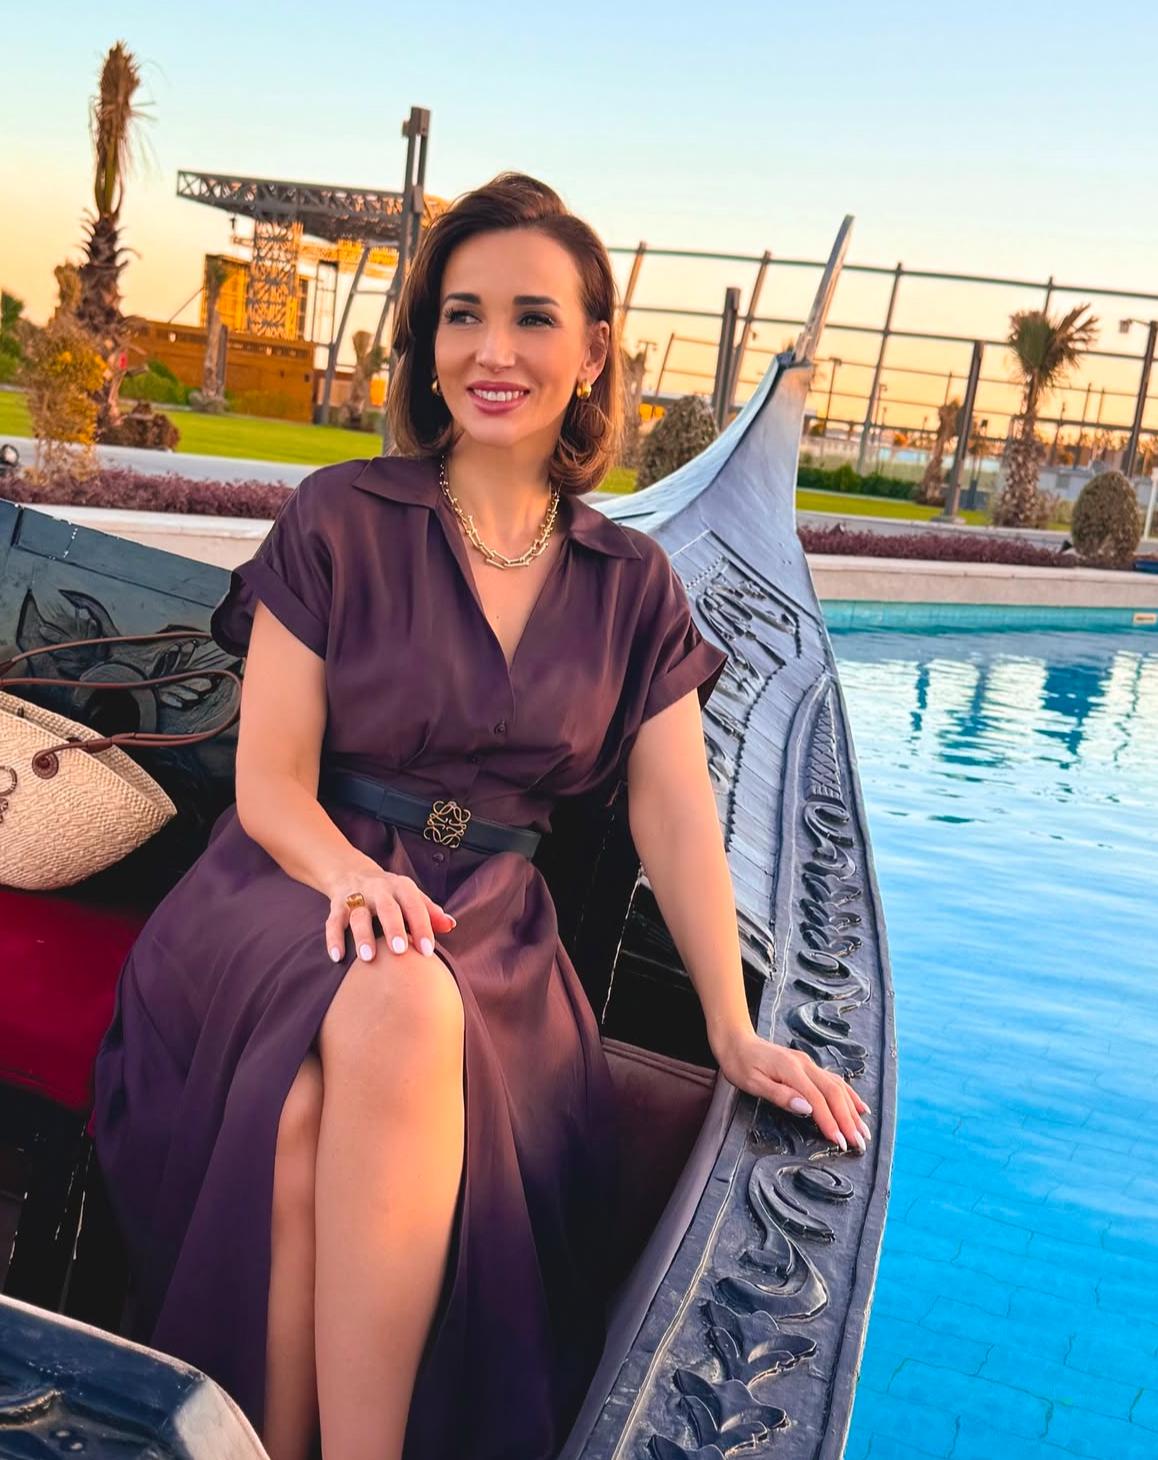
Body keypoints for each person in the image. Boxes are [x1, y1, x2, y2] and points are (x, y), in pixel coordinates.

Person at [90, 171, 870, 1460]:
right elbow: (271, 780)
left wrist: (732, 1028)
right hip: (290, 887)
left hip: (491, 930)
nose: (491, 352)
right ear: (429, 342)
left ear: (594, 351)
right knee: (397, 993)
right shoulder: (343, 516)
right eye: (462, 316)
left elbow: (677, 810)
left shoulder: (632, 583)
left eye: (531, 318)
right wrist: (352, 877)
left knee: (306, 1129)